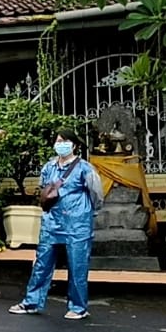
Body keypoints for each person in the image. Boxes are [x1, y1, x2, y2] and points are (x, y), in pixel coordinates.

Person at [9, 129, 104, 320]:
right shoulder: (49, 167)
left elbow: (97, 194)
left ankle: (78, 307)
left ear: (75, 145)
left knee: (77, 265)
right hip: (52, 222)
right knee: (42, 263)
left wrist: (85, 212)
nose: (61, 144)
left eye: (65, 141)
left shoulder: (85, 168)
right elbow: (44, 189)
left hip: (77, 224)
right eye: (58, 140)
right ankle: (32, 301)